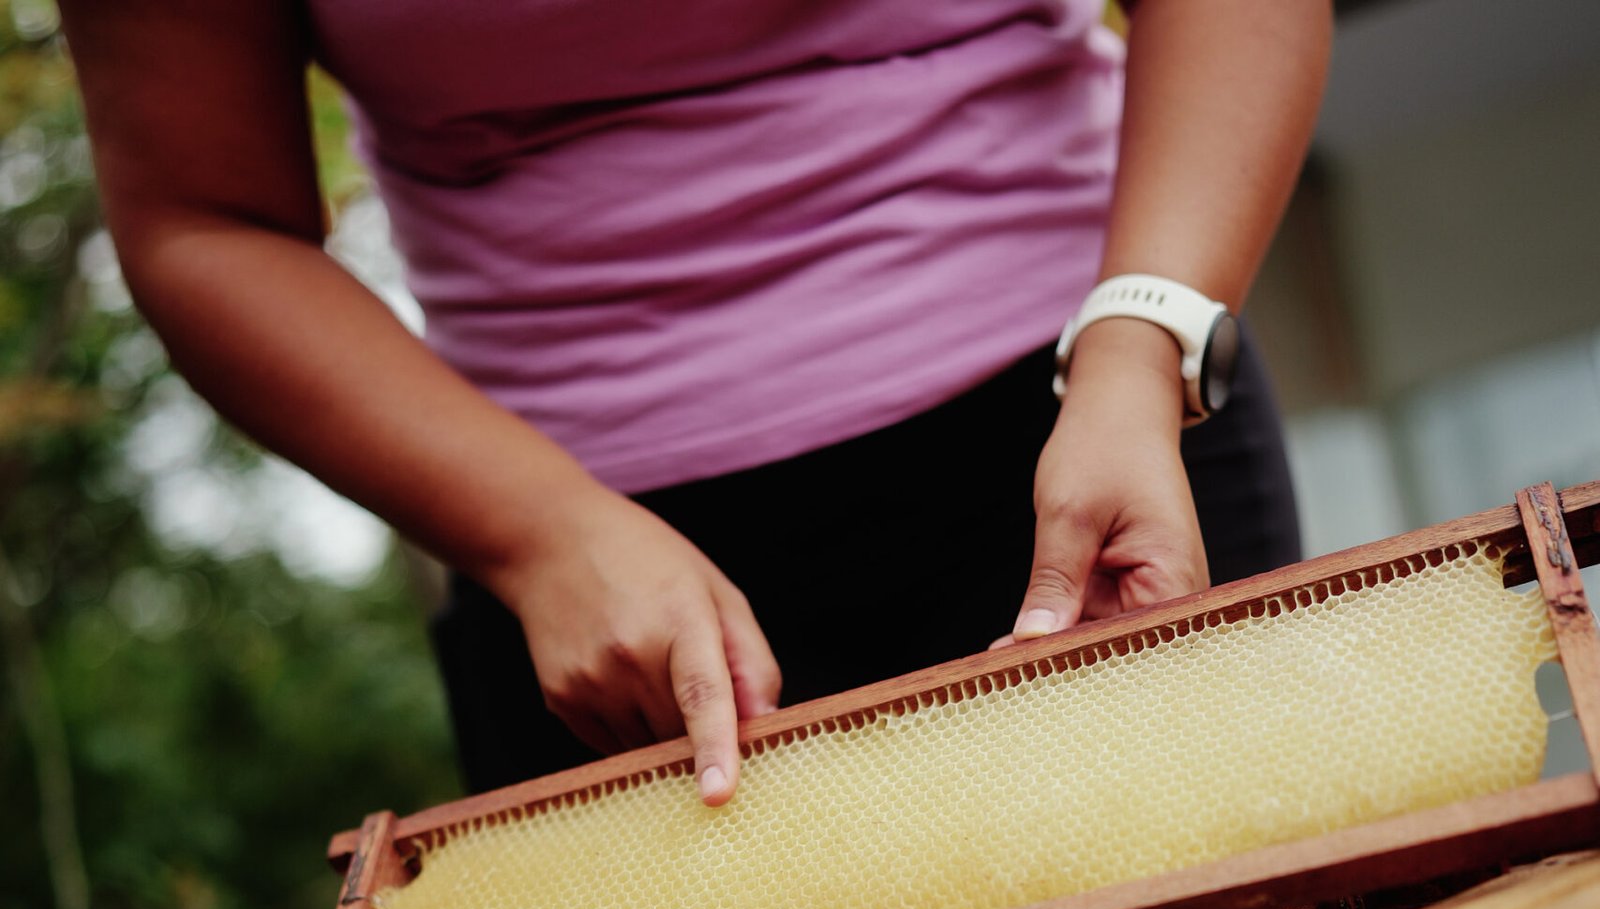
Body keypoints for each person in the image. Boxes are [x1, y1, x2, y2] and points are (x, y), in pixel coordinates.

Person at [59, 0, 1331, 803]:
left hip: (1098, 428)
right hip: (597, 593)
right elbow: (200, 220)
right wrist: (539, 533)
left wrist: (1141, 345)